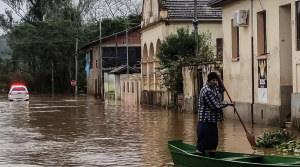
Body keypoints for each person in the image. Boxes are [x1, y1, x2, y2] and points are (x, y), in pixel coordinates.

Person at [196, 71, 235, 158]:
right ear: (209, 80)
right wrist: (228, 104)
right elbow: (215, 106)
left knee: (213, 141)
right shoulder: (206, 90)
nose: (215, 82)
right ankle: (199, 156)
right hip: (205, 120)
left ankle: (212, 155)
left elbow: (222, 89)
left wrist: (220, 79)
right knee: (203, 140)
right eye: (213, 80)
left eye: (216, 80)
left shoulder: (214, 87)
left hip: (212, 120)